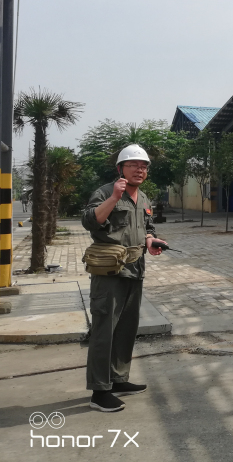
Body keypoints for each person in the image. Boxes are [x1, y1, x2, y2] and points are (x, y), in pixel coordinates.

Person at [82, 144, 163, 413]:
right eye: (134, 165)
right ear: (120, 168)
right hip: (110, 273)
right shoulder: (106, 192)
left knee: (126, 328)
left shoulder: (144, 198)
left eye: (144, 166)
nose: (140, 170)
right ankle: (99, 391)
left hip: (135, 270)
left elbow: (148, 228)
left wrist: (151, 241)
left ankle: (118, 379)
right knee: (104, 330)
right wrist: (114, 198)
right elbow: (90, 221)